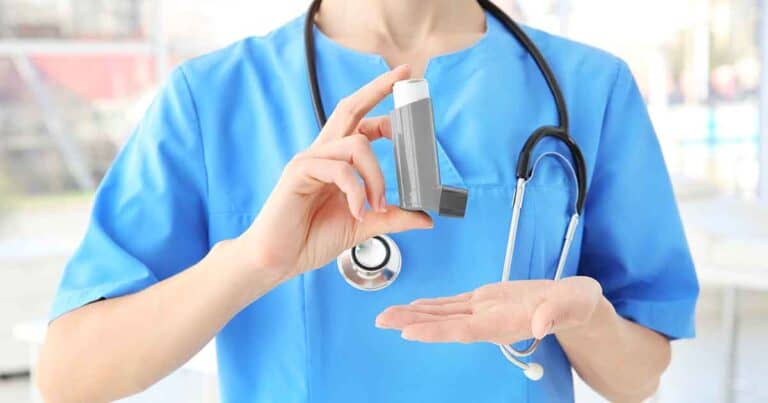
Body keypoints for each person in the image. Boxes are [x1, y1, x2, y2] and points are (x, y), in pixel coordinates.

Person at [36, 0, 699, 402]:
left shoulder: (590, 89)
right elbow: (69, 375)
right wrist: (251, 263)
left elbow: (638, 376)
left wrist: (584, 318)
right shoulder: (214, 99)